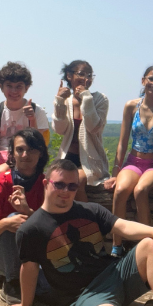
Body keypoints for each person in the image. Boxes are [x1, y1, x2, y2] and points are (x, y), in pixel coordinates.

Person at [0, 159, 153, 306]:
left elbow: (122, 226)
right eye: (60, 184)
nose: (66, 191)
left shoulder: (90, 210)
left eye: (72, 186)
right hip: (82, 296)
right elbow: (29, 269)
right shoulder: (30, 229)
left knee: (150, 244)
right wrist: (25, 305)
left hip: (115, 275)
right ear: (46, 183)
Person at [104, 65, 153, 257]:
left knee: (140, 191)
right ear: (143, 80)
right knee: (119, 191)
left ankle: (145, 244)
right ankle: (116, 245)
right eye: (151, 79)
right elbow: (122, 143)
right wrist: (114, 173)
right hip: (133, 161)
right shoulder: (131, 106)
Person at [0, 61, 49, 234]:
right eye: (9, 86)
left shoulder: (37, 111)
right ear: (1, 87)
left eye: (19, 86)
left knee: (1, 173)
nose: (14, 91)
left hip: (23, 154)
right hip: (0, 154)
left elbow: (40, 146)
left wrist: (32, 121)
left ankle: (3, 218)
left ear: (26, 88)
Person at [0, 128, 49, 304]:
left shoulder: (48, 186)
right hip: (2, 252)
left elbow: (56, 229)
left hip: (38, 255)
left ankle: (27, 282)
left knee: (52, 291)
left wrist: (28, 212)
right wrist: (6, 223)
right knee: (13, 219)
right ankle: (12, 280)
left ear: (40, 154)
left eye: (31, 150)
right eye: (20, 149)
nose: (25, 155)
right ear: (12, 154)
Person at [53, 60, 109, 202]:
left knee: (76, 181)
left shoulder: (100, 99)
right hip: (67, 157)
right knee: (52, 182)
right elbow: (59, 130)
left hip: (90, 160)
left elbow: (93, 127)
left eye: (90, 75)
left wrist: (86, 97)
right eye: (81, 74)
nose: (86, 79)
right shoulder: (65, 101)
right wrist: (59, 102)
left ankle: (84, 222)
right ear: (69, 76)